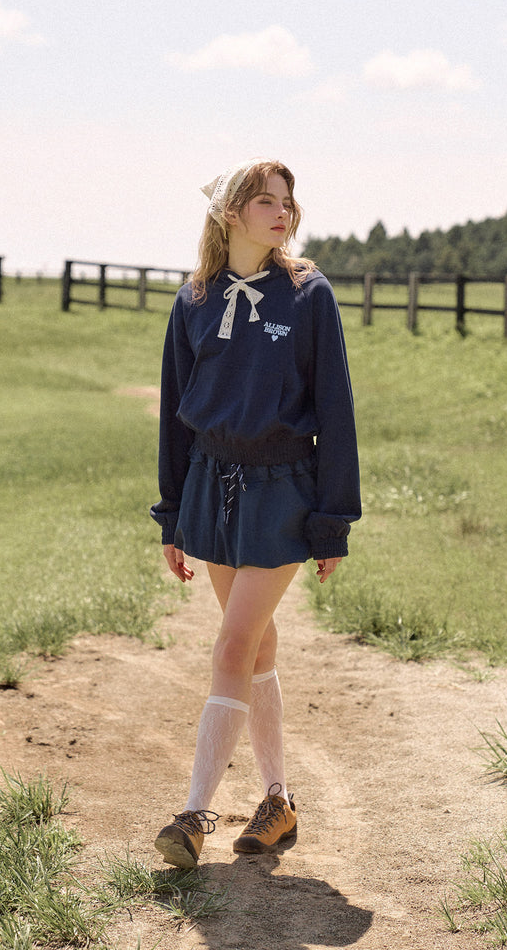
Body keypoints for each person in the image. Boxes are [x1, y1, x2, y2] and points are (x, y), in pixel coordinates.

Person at [149, 157, 360, 869]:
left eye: (288, 201)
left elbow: (336, 410)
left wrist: (332, 521)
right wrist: (173, 515)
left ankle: (192, 815)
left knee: (232, 648)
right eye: (267, 201)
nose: (283, 212)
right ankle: (278, 801)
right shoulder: (193, 301)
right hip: (211, 488)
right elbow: (176, 418)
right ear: (230, 213)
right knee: (257, 648)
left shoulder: (309, 295)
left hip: (281, 491)